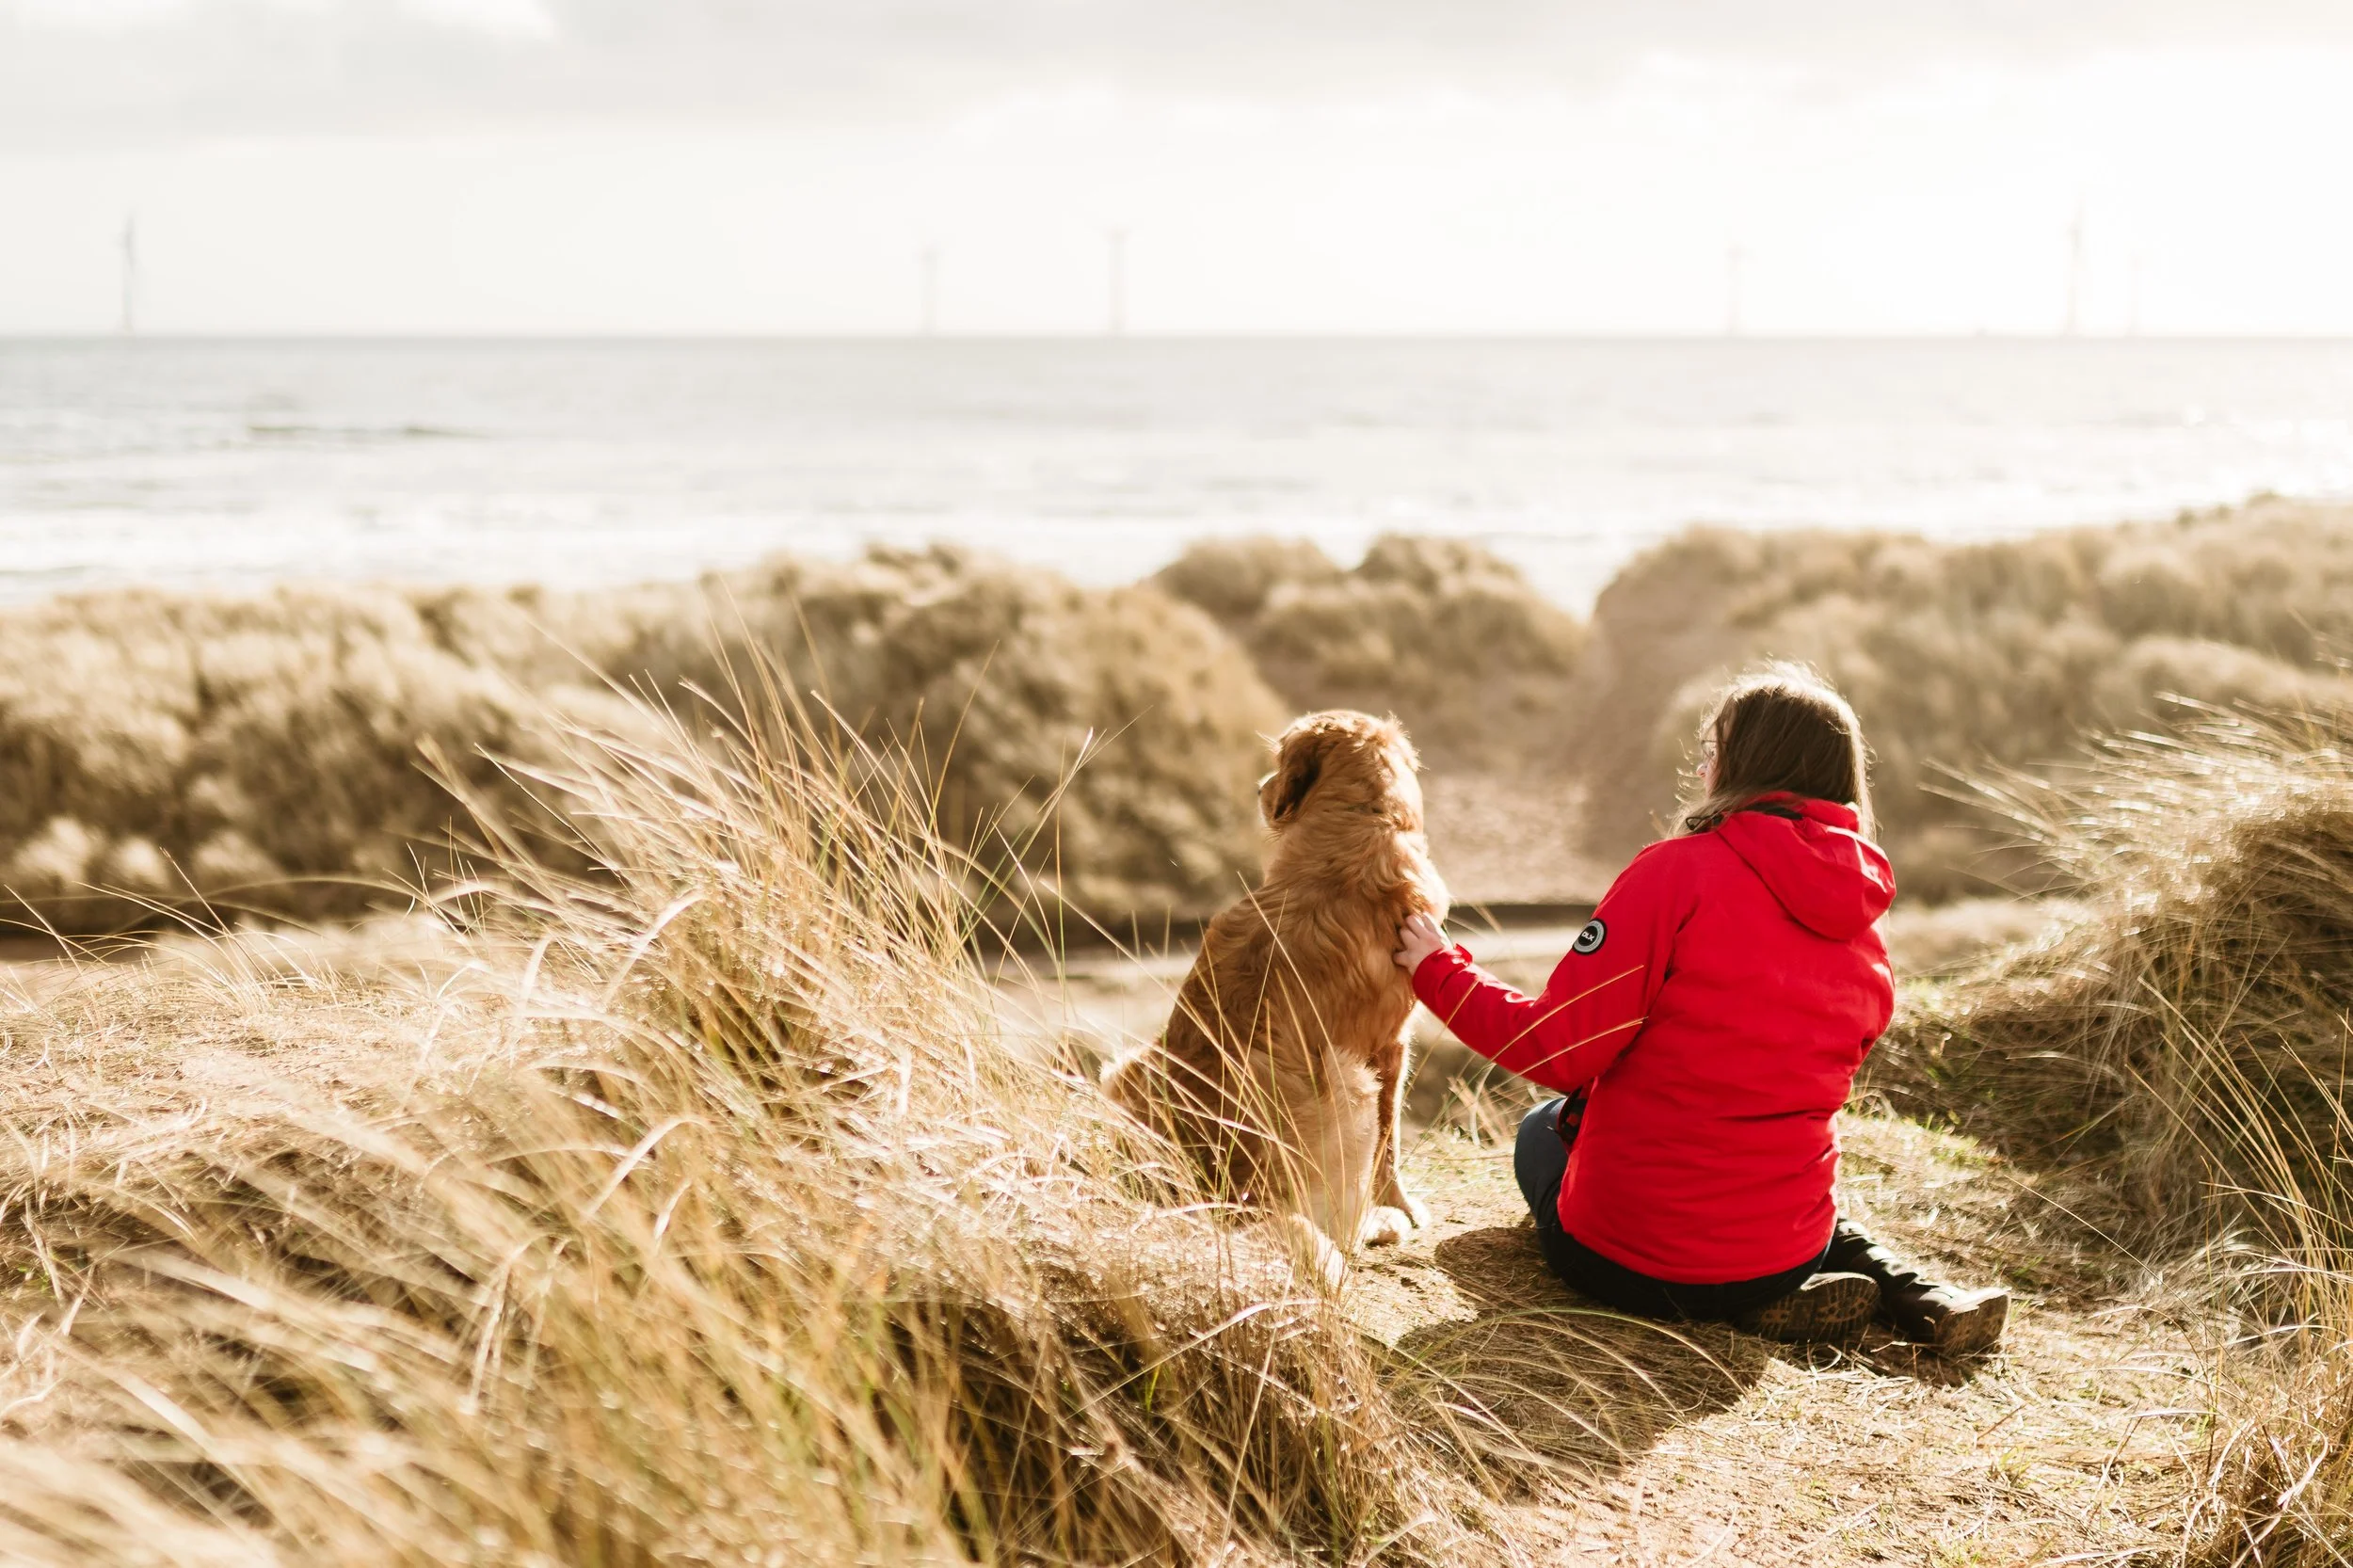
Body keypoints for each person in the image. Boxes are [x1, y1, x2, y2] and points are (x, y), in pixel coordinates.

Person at [1393, 664, 2008, 1354]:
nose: (1705, 763)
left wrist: (1436, 969)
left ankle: (1747, 1295)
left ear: (1747, 763)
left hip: (1628, 1264)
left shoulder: (1673, 872)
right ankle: (1885, 1294)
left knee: (1541, 1134)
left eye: (1715, 746)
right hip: (1784, 1248)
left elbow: (1556, 1051)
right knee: (1768, 1174)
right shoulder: (1864, 915)